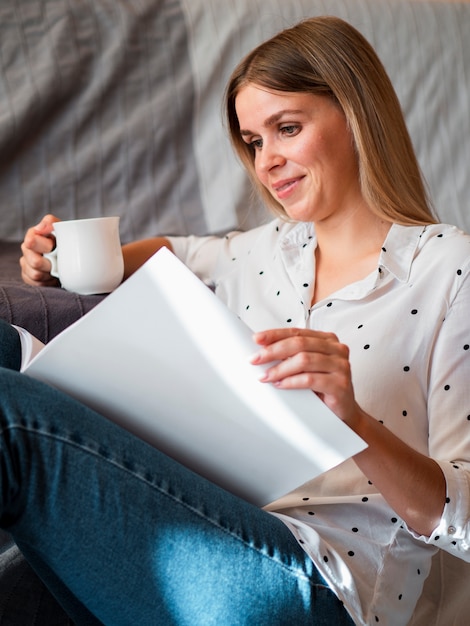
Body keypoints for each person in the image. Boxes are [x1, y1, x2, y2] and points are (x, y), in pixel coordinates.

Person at [4, 15, 470, 625]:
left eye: (288, 128)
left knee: (10, 416)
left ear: (357, 115)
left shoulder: (450, 269)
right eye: (254, 141)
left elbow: (461, 519)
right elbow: (168, 253)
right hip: (202, 524)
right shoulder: (255, 252)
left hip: (326, 585)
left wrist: (352, 419)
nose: (267, 160)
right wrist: (59, 261)